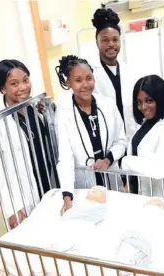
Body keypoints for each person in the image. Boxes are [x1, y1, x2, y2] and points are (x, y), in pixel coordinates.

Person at [0, 59, 57, 230]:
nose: (23, 87)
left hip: (49, 186)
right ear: (3, 88)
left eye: (25, 80)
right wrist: (11, 209)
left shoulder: (33, 108)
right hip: (24, 198)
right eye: (14, 84)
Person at [54, 55, 126, 215]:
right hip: (84, 183)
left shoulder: (108, 105)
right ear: (68, 83)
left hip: (111, 176)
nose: (85, 85)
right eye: (78, 80)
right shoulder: (64, 113)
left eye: (89, 78)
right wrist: (67, 196)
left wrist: (108, 159)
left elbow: (121, 141)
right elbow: (65, 157)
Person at [121, 75, 164, 197]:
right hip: (141, 194)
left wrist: (126, 162)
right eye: (139, 102)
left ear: (160, 99)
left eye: (149, 101)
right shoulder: (145, 123)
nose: (143, 107)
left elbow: (161, 168)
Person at [90, 8, 136, 140]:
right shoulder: (90, 74)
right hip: (106, 141)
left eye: (115, 39)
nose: (111, 44)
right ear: (97, 42)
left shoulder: (128, 71)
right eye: (105, 40)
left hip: (130, 138)